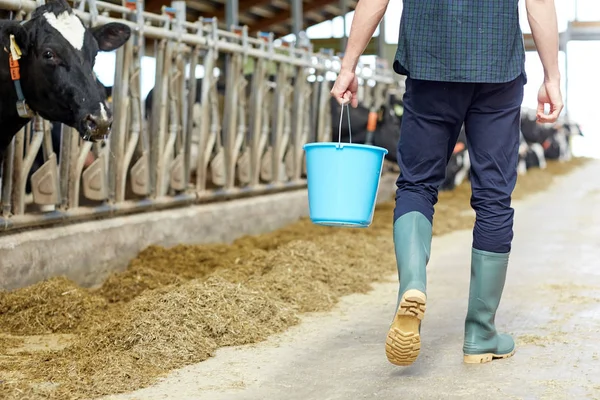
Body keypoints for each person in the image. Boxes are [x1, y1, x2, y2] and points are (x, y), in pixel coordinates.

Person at [330, 0, 563, 366]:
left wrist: (348, 66)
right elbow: (539, 4)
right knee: (493, 200)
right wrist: (552, 77)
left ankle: (412, 285)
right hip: (496, 70)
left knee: (417, 185)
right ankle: (480, 334)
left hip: (430, 67)